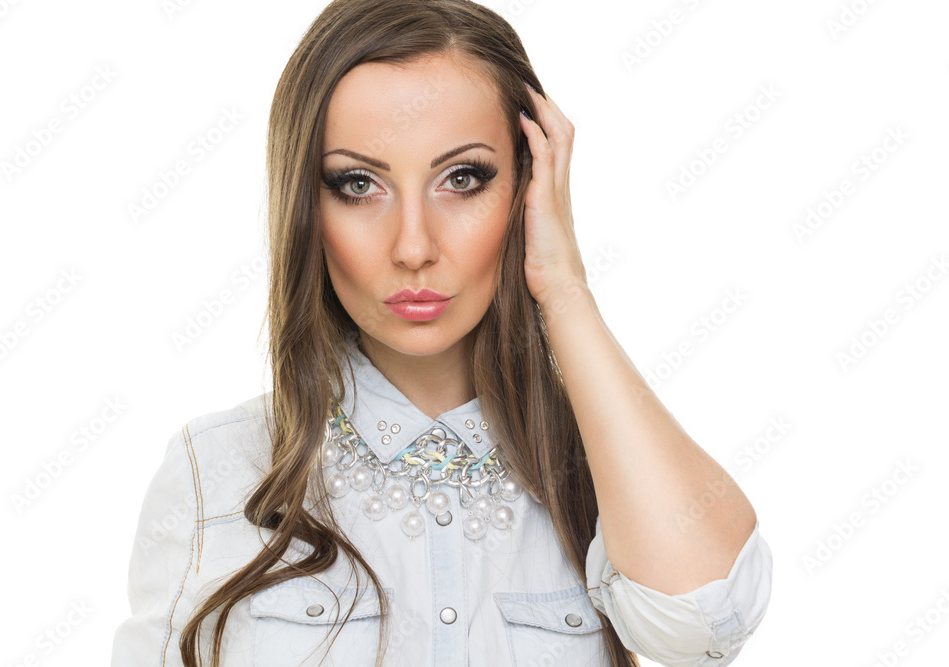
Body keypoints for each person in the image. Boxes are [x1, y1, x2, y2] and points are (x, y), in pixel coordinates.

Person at [110, 0, 773, 665]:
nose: (414, 247)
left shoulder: (600, 465)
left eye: (462, 179)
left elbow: (705, 623)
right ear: (307, 203)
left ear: (526, 186)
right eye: (358, 183)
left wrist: (565, 288)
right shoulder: (213, 470)